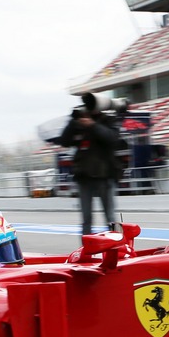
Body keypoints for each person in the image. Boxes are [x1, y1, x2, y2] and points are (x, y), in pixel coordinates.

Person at [57, 92, 125, 236]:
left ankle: (115, 248)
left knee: (110, 218)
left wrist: (93, 125)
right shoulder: (78, 124)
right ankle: (86, 252)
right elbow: (64, 141)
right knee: (86, 218)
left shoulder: (108, 120)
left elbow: (112, 139)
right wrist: (72, 122)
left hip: (104, 175)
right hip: (84, 177)